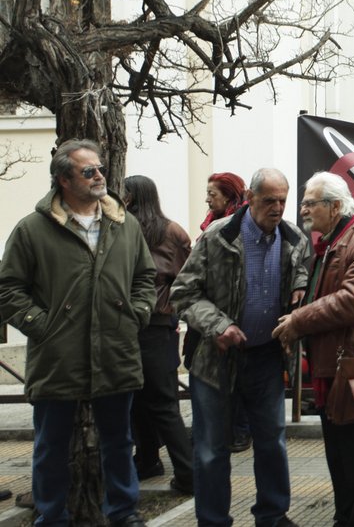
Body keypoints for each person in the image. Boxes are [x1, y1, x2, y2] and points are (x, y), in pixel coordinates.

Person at [0, 139, 158, 527]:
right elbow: (8, 289)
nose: (100, 176)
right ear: (63, 180)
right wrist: (42, 326)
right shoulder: (32, 229)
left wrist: (135, 314)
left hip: (114, 351)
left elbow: (145, 277)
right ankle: (51, 516)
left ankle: (123, 514)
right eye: (88, 171)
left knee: (119, 442)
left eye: (100, 168)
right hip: (58, 355)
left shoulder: (125, 224)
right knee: (51, 446)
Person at [171, 168, 309, 527]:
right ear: (249, 197)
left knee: (272, 443)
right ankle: (213, 520)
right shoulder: (219, 236)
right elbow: (182, 293)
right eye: (269, 201)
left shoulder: (293, 237)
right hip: (216, 358)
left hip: (266, 356)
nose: (277, 208)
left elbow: (303, 271)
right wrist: (221, 325)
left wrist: (299, 285)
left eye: (283, 200)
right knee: (211, 449)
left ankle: (273, 515)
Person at [271, 171, 354, 527]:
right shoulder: (331, 242)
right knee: (341, 465)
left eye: (311, 202)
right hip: (336, 372)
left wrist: (299, 321)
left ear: (335, 206)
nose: (303, 208)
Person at [122, 175, 195, 494]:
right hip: (158, 326)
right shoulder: (172, 230)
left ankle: (186, 472)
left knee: (146, 400)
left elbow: (187, 280)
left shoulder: (123, 229)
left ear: (134, 197)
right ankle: (152, 460)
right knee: (158, 400)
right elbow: (188, 277)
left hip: (133, 323)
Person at [187, 172, 253, 453]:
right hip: (208, 318)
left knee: (237, 381)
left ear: (228, 196)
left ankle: (239, 430)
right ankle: (219, 430)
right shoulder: (211, 226)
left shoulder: (241, 229)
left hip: (235, 319)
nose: (206, 199)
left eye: (212, 194)